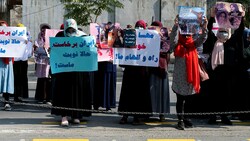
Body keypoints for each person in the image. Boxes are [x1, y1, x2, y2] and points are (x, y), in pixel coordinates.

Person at [205, 7, 248, 125]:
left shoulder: (231, 42)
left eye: (225, 32)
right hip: (215, 72)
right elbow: (208, 30)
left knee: (226, 95)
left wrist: (241, 17)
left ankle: (224, 116)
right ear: (218, 33)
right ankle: (212, 116)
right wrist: (212, 16)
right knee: (213, 95)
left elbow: (239, 31)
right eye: (221, 31)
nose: (223, 33)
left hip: (228, 73)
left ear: (229, 34)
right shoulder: (214, 41)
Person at [51, 19, 92, 127]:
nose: (70, 31)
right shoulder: (60, 36)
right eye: (68, 29)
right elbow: (55, 51)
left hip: (78, 70)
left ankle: (76, 115)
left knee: (77, 92)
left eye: (72, 29)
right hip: (63, 70)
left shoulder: (82, 36)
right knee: (63, 92)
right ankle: (64, 116)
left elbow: (89, 51)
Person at [170, 15, 208, 130]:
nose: (187, 35)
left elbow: (203, 38)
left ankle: (186, 118)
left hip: (191, 77)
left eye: (189, 34)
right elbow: (173, 39)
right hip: (179, 77)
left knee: (189, 100)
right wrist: (176, 26)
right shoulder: (177, 45)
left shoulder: (193, 44)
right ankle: (180, 120)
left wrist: (204, 27)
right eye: (185, 33)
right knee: (180, 100)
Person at [118, 20, 152, 125]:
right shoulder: (130, 37)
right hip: (130, 70)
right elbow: (124, 48)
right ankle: (125, 115)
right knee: (127, 93)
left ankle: (137, 117)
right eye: (137, 26)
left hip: (141, 71)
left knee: (139, 95)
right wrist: (125, 34)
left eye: (141, 27)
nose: (139, 28)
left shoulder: (147, 39)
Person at [148, 20, 170, 121]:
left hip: (161, 66)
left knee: (162, 91)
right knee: (152, 91)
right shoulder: (149, 37)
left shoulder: (165, 37)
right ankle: (152, 111)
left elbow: (167, 52)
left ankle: (162, 113)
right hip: (153, 66)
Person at [93, 22, 117, 111]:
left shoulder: (113, 36)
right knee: (99, 83)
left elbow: (115, 44)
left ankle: (108, 104)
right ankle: (97, 103)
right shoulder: (98, 37)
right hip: (100, 63)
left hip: (110, 62)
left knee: (109, 84)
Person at [13, 23, 32, 102]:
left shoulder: (27, 38)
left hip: (24, 61)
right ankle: (16, 95)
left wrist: (28, 42)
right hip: (16, 61)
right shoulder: (13, 38)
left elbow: (29, 52)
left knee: (23, 77)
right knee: (16, 78)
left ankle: (23, 95)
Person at [33, 23, 52, 105]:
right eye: (43, 29)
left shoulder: (51, 39)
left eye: (46, 29)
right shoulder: (38, 39)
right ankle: (40, 97)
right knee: (41, 80)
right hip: (40, 62)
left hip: (48, 63)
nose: (44, 31)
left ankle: (48, 98)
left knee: (48, 80)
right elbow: (35, 49)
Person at [0, 20, 14, 111]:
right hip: (0, 61)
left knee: (7, 81)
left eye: (5, 27)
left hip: (8, 62)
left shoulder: (11, 38)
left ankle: (7, 102)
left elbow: (18, 46)